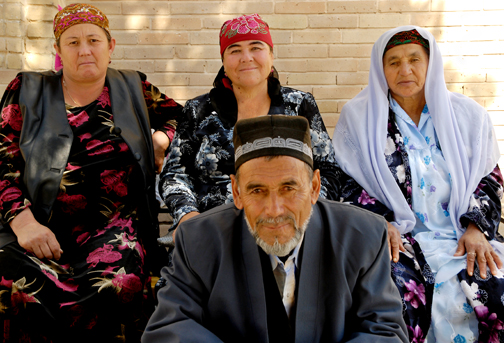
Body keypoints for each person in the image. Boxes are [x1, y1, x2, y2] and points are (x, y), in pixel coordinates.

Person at [0, 3, 183, 341]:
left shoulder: (134, 88)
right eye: (72, 42)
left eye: (93, 40)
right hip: (40, 227)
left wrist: (162, 137)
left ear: (110, 47)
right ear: (57, 50)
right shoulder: (26, 90)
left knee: (116, 286)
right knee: (10, 281)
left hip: (115, 227)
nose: (84, 50)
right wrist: (22, 221)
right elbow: (2, 160)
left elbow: (184, 118)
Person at [143, 115, 408, 342]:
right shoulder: (198, 240)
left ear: (315, 187)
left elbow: (385, 330)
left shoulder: (363, 237)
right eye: (256, 190)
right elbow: (168, 327)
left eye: (289, 188)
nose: (274, 210)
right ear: (236, 192)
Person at [332, 26, 504, 342]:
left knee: (496, 284)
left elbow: (488, 179)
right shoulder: (359, 118)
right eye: (393, 62)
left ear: (430, 63)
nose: (405, 70)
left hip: (461, 234)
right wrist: (377, 224)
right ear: (380, 69)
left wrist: (477, 228)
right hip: (399, 238)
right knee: (392, 301)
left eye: (414, 59)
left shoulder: (468, 117)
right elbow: (347, 182)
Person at [157, 14, 339, 246]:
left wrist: (307, 215)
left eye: (256, 47)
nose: (246, 58)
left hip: (286, 226)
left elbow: (328, 170)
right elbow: (174, 174)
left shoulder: (299, 104)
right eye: (234, 50)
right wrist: (188, 215)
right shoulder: (198, 110)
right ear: (223, 60)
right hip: (211, 232)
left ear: (271, 55)